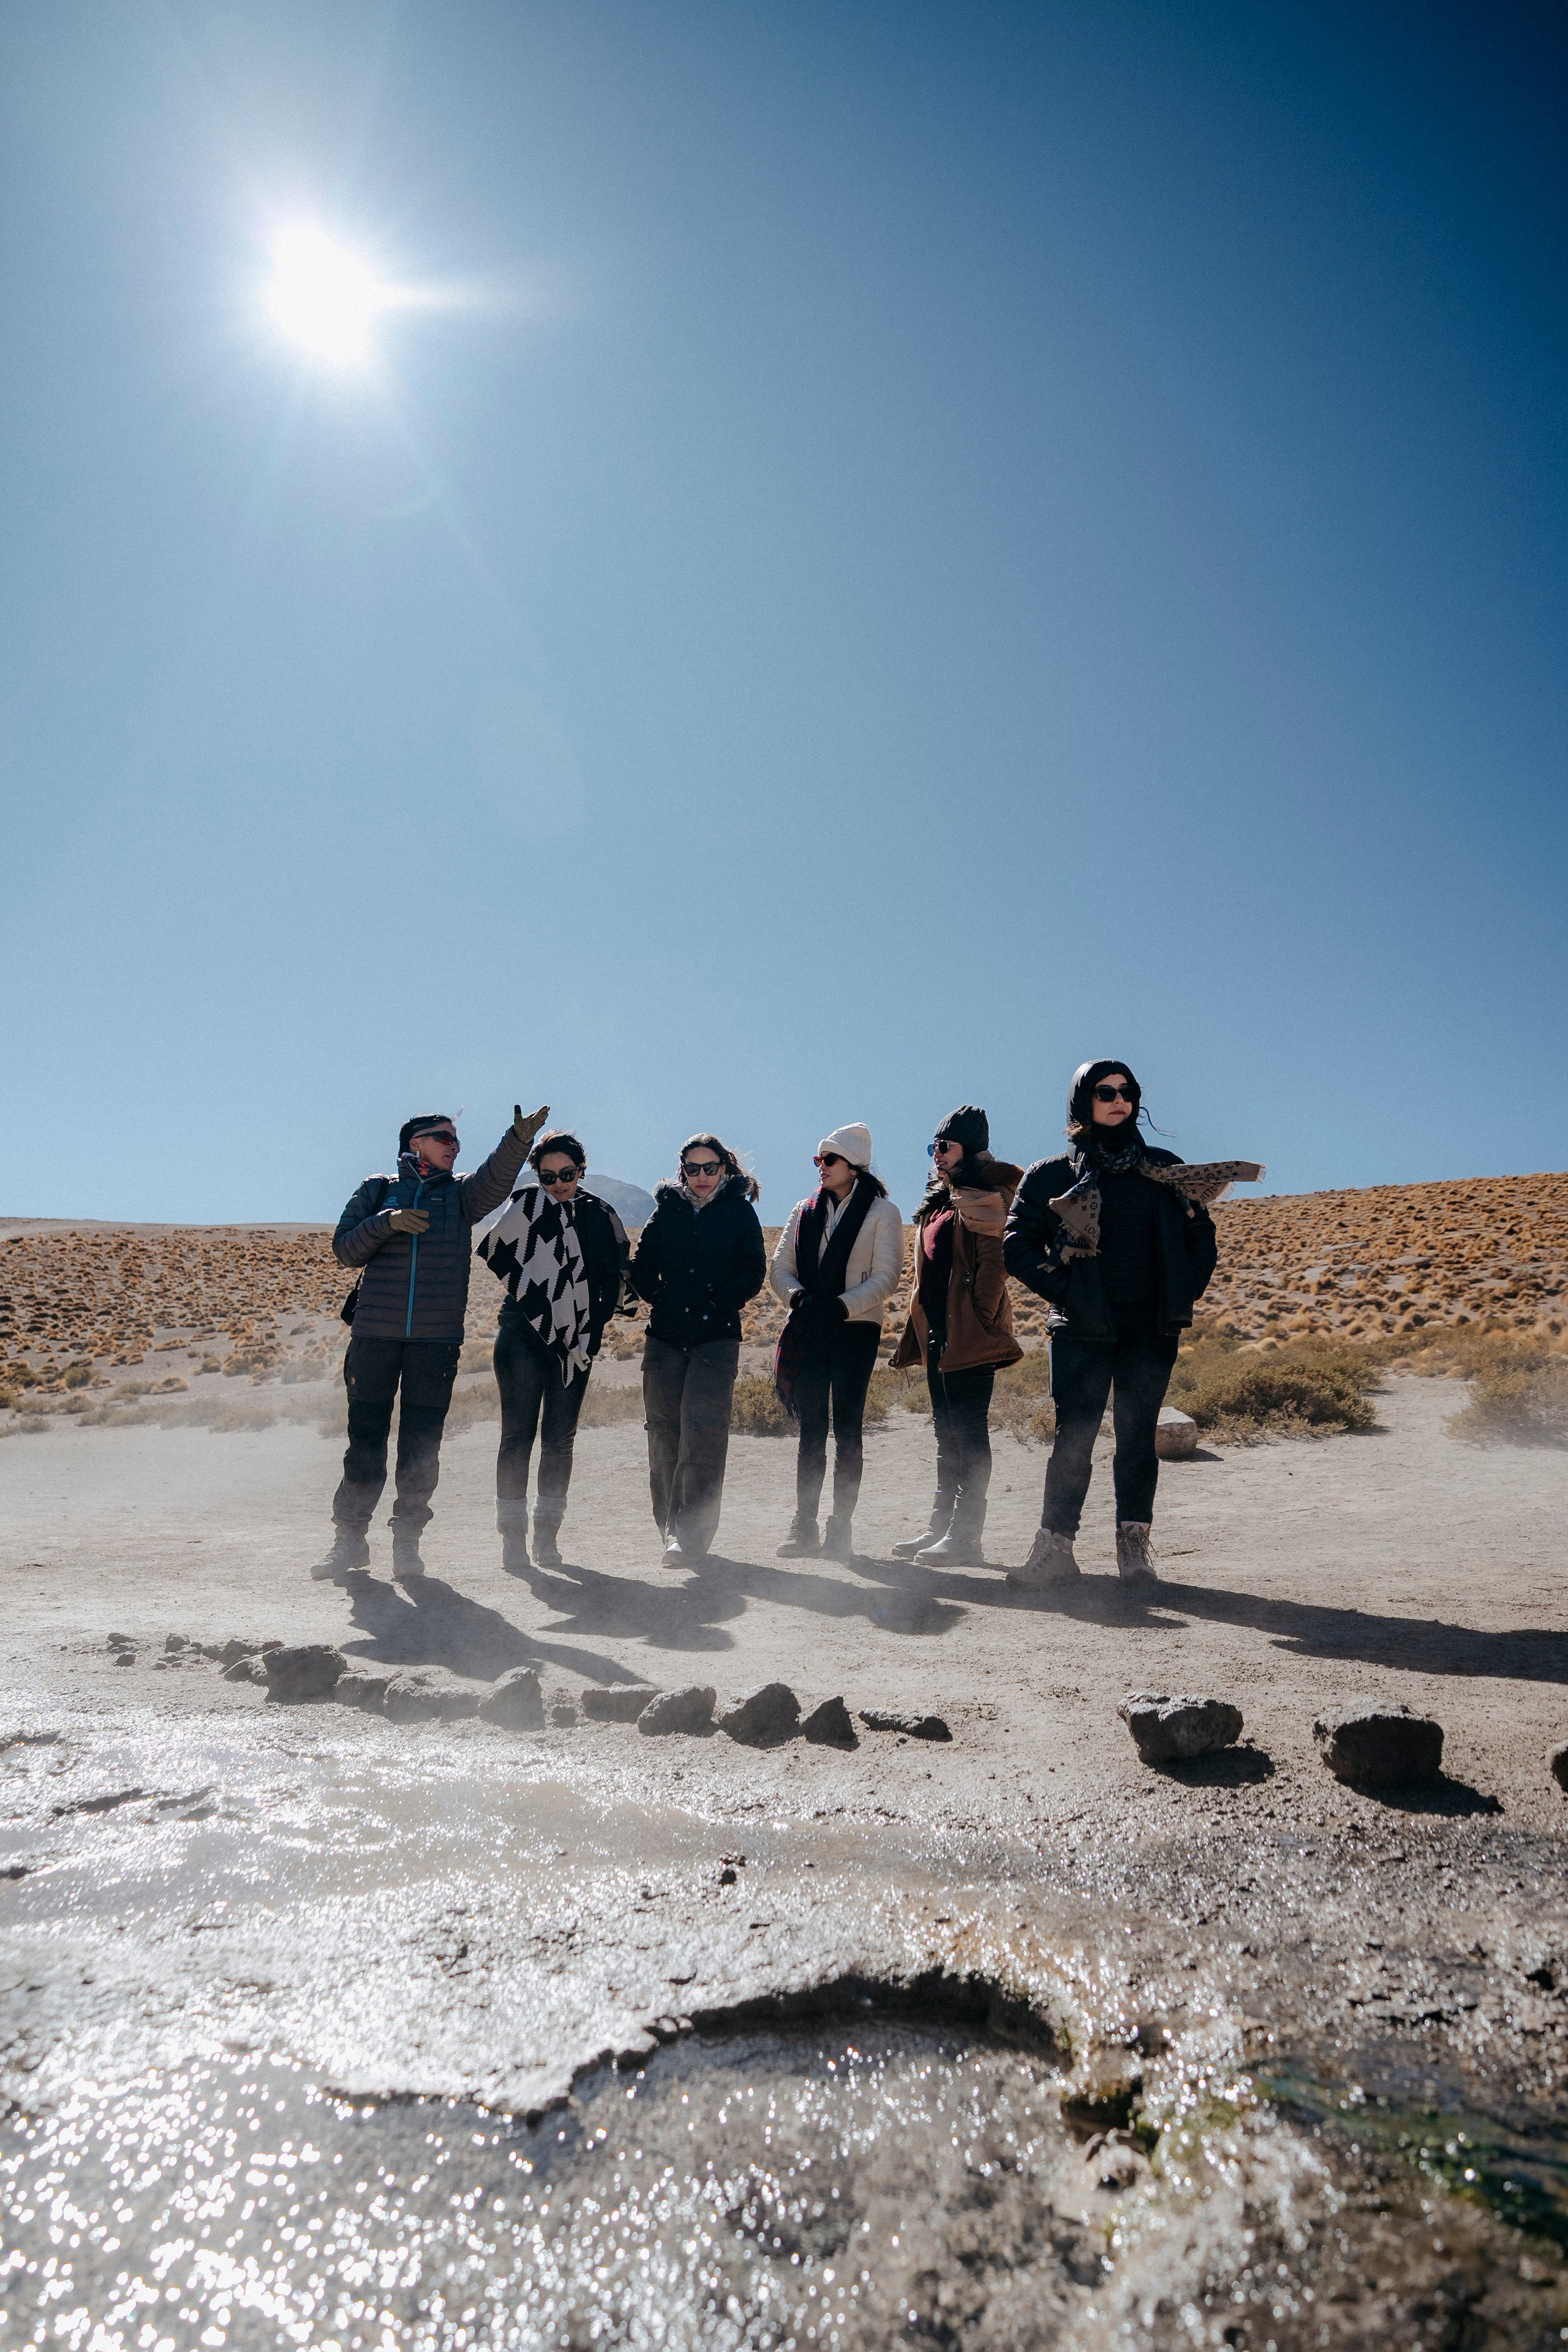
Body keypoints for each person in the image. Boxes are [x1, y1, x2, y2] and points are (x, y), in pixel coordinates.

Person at [1002, 1059, 1262, 1588]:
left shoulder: (1166, 1169)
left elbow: (1201, 1238)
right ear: (1083, 1101)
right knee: (1073, 1438)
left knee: (1138, 1438)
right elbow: (1016, 1245)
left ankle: (1134, 1550)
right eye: (1105, 1091)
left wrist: (1183, 1292)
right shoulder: (1053, 1173)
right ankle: (1056, 1550)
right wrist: (1069, 1292)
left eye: (1127, 1091)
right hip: (1080, 1328)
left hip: (1149, 1328)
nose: (1118, 1099)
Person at [314, 1102, 550, 1584]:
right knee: (365, 1445)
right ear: (415, 1143)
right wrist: (388, 1221)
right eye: (444, 1138)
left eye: (456, 1140)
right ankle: (350, 1541)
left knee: (422, 1445)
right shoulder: (377, 1189)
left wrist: (517, 1140)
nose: (454, 1146)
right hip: (374, 1337)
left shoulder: (461, 1196)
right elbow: (344, 1251)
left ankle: (407, 1544)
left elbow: (495, 1179)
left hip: (435, 1343)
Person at [476, 1129, 633, 1572]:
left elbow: (612, 1279)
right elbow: (502, 1254)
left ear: (582, 1171)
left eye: (567, 1174)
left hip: (576, 1343)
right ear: (537, 1175)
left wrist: (585, 1325)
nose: (558, 1183)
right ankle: (512, 1539)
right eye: (548, 1176)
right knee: (516, 1436)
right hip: (522, 1335)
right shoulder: (526, 1205)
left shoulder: (601, 1215)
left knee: (559, 1439)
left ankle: (547, 1539)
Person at [888, 1105, 1023, 1565]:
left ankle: (967, 1536)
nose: (936, 1154)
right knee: (947, 1435)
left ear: (968, 1147)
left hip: (970, 1334)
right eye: (933, 1147)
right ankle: (939, 1528)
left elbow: (994, 1262)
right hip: (938, 1333)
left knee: (969, 1434)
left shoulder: (985, 1192)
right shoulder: (941, 1198)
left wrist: (979, 1316)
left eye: (944, 1146)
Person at [768, 1123, 905, 1561]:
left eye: (829, 1160)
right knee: (811, 1430)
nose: (821, 1167)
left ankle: (840, 1529)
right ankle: (804, 1525)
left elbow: (887, 1277)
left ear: (854, 1164)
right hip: (809, 1326)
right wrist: (800, 1297)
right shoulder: (803, 1210)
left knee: (848, 1429)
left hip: (855, 1330)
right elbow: (780, 1267)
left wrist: (843, 1306)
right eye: (818, 1160)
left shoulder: (884, 1213)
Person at [628, 1133, 766, 1565]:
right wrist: (661, 1298)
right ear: (681, 1170)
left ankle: (691, 1535)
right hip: (664, 1339)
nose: (702, 1176)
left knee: (703, 1434)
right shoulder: (666, 1212)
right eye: (693, 1168)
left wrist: (715, 1303)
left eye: (710, 1168)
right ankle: (671, 1528)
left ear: (724, 1168)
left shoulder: (740, 1213)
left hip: (716, 1339)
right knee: (663, 1432)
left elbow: (752, 1271)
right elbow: (642, 1266)